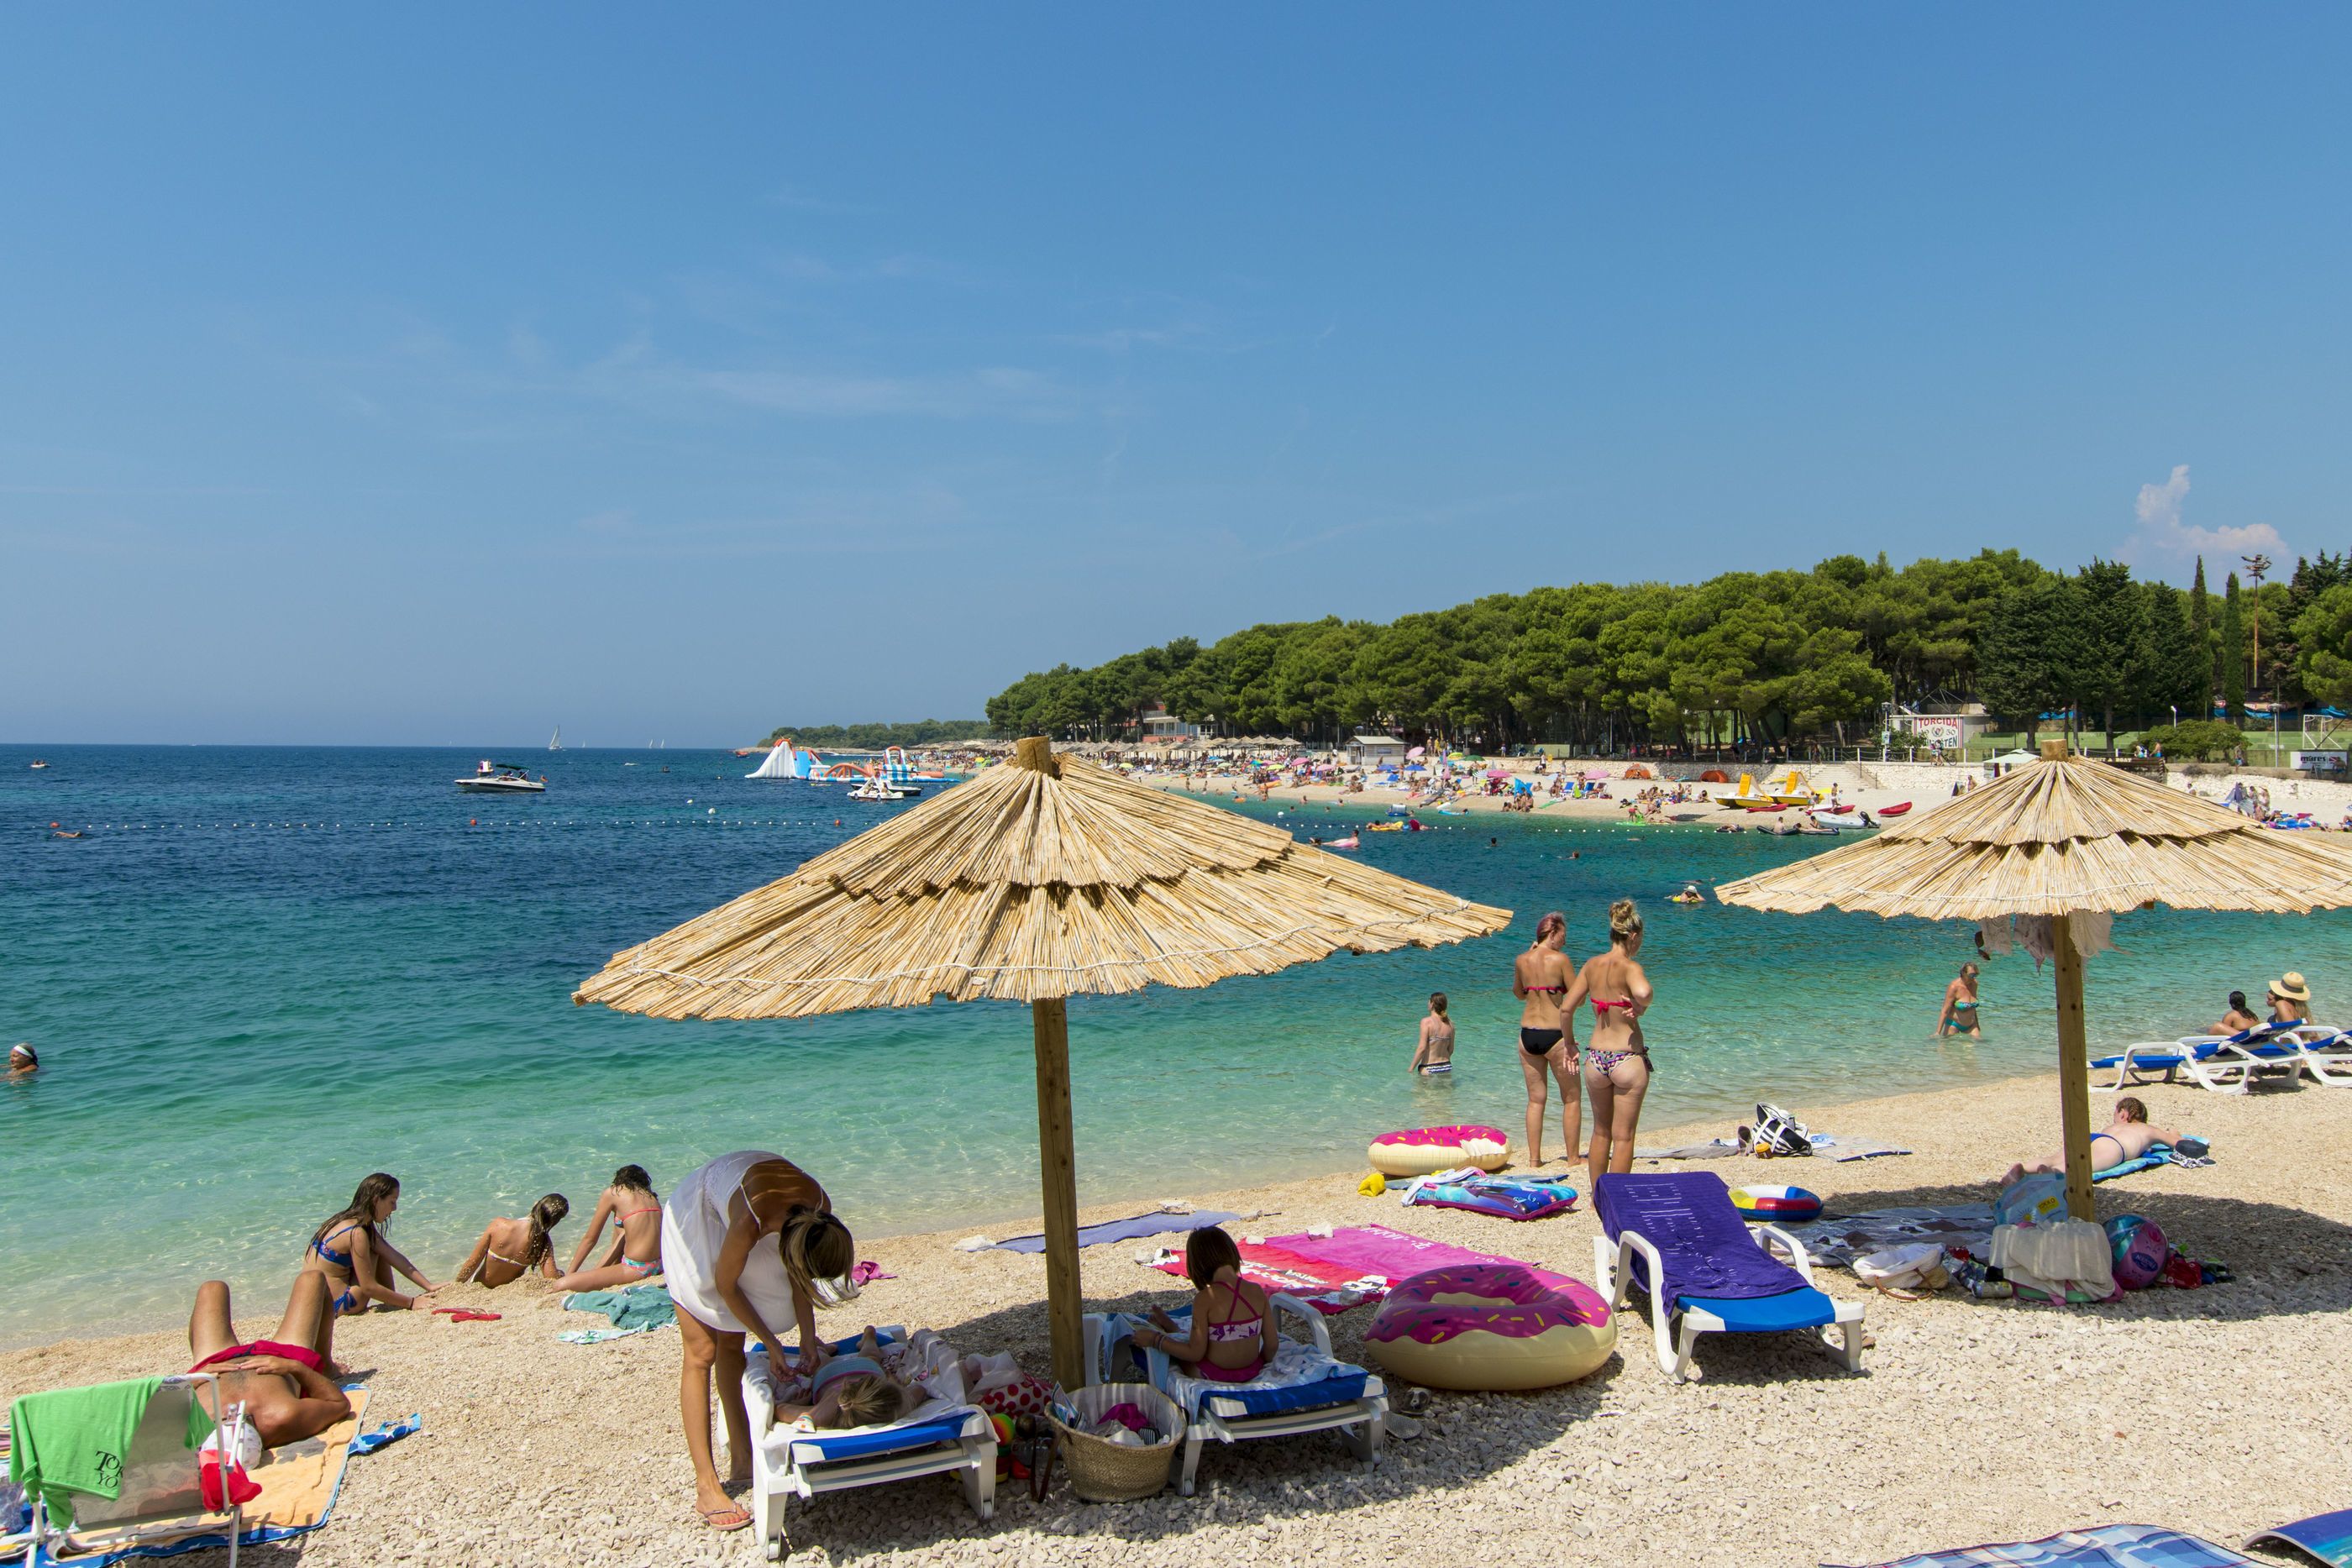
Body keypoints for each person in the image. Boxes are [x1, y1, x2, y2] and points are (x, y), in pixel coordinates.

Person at [663, 1151, 856, 1532]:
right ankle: (706, 1486)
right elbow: (725, 1286)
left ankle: (741, 1458)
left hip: (749, 1203)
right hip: (697, 1211)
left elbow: (799, 1276)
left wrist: (806, 1338)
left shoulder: (819, 1209)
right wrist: (770, 1343)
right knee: (703, 1351)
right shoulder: (751, 1223)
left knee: (733, 1346)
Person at [185, 1275, 354, 1448]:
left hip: (215, 1361)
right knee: (313, 1279)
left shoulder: (193, 1427)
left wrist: (187, 1383)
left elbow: (158, 1406)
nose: (231, 1417)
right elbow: (339, 1404)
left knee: (212, 1287)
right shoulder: (281, 1417)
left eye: (220, 1421)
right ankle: (328, 1367)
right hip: (283, 1359)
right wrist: (295, 1368)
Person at [1562, 899, 1653, 1188]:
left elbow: (1566, 1009)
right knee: (1624, 1136)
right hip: (1626, 1058)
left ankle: (1596, 1200)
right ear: (1633, 936)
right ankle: (1619, 1201)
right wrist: (1642, 1006)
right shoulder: (1629, 966)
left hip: (1596, 1059)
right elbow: (1645, 992)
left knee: (1601, 1132)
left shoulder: (1591, 965)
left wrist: (1569, 1045)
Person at [1130, 1227, 1274, 1383]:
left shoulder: (1205, 1299)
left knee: (1178, 1356)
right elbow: (1272, 1345)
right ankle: (1174, 1329)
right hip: (1251, 1370)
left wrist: (1155, 1340)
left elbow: (1195, 1353)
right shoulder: (1257, 1291)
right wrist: (1258, 1363)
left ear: (1198, 1266)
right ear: (1232, 1253)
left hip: (1213, 1374)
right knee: (1196, 1341)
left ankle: (1172, 1331)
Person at [302, 1173, 441, 1319]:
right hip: (339, 1305)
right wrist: (411, 1302)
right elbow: (368, 1287)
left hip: (313, 1306)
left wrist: (429, 1286)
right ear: (376, 1200)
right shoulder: (357, 1234)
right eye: (392, 1202)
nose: (395, 1208)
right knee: (375, 1250)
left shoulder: (342, 1221)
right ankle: (393, 1300)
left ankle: (392, 1300)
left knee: (379, 1248)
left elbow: (394, 1256)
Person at [1512, 912, 1582, 1167]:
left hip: (1527, 1035)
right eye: (1563, 934)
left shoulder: (1522, 959)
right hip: (1555, 1036)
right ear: (1553, 933)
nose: (1565, 939)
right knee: (1572, 1098)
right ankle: (1573, 1158)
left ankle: (1534, 1160)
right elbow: (1578, 999)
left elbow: (1519, 994)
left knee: (1535, 1100)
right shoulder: (1561, 959)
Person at [2002, 1097, 2185, 1186]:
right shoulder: (2148, 1130)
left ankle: (2022, 1168)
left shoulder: (2113, 1127)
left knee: (2054, 1157)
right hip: (2114, 1147)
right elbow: (2176, 1142)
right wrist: (2173, 1132)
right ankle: (2052, 1173)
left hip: (2091, 1137)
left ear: (2123, 1113)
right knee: (2082, 1166)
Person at [553, 1164, 666, 1292]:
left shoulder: (613, 1192)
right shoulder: (651, 1197)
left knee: (560, 1285)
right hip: (660, 1264)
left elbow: (590, 1239)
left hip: (636, 1267)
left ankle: (581, 1277)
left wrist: (570, 1274)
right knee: (621, 1226)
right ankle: (597, 1272)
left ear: (619, 1180)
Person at [454, 1193, 570, 1287]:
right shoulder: (542, 1242)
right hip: (506, 1290)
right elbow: (550, 1278)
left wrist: (457, 1285)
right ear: (555, 1221)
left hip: (481, 1286)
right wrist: (560, 1274)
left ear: (536, 1204)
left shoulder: (499, 1225)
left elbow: (472, 1263)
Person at [1410, 993, 1455, 1076]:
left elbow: (1422, 1049)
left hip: (1429, 1067)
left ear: (1432, 1004)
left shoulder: (1426, 1022)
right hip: (1446, 1066)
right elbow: (1451, 1050)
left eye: (1429, 1002)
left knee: (1420, 1089)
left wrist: (1411, 1068)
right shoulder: (1450, 1024)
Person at [1936, 962, 1983, 1039]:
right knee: (1948, 1048)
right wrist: (1937, 1032)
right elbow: (1945, 1010)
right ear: (1963, 973)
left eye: (1975, 975)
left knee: (1979, 1045)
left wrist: (1977, 1025)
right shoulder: (1954, 987)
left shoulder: (1974, 984)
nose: (1973, 978)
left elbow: (1973, 1008)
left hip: (1971, 1025)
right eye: (1971, 975)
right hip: (1954, 1024)